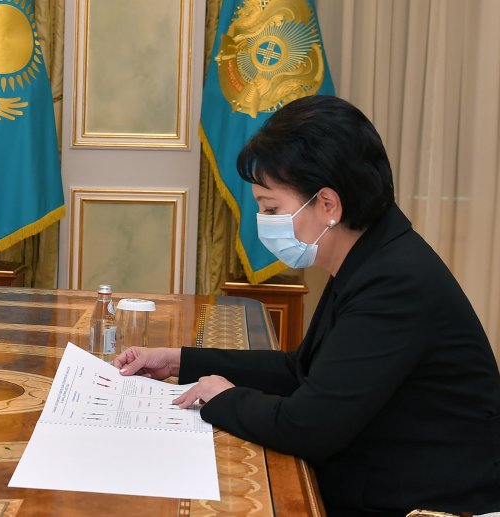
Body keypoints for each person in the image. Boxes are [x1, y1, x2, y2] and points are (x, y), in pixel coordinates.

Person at [116, 96, 499, 515]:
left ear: (328, 205)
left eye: (271, 208)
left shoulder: (395, 282)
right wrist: (177, 361)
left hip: (428, 505)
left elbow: (309, 427)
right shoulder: (371, 254)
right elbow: (301, 370)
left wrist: (224, 398)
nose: (263, 221)